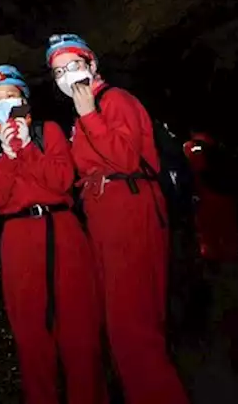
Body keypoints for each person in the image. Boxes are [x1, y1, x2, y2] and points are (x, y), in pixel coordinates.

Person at [47, 34, 189, 404]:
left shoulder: (115, 101)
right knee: (121, 326)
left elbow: (126, 159)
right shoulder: (83, 114)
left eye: (73, 66)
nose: (66, 76)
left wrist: (89, 115)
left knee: (134, 327)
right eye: (58, 71)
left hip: (130, 208)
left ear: (92, 65)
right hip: (105, 216)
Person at [0, 65, 104, 404]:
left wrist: (29, 148)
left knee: (80, 330)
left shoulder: (49, 133)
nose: (3, 103)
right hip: (17, 236)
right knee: (31, 334)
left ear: (24, 99)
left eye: (11, 96)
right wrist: (9, 156)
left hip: (63, 230)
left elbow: (62, 181)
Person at [183, 132, 238, 263]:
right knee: (228, 229)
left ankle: (212, 261)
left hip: (206, 194)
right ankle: (232, 260)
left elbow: (194, 169)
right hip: (226, 194)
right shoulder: (218, 145)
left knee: (208, 232)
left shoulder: (191, 147)